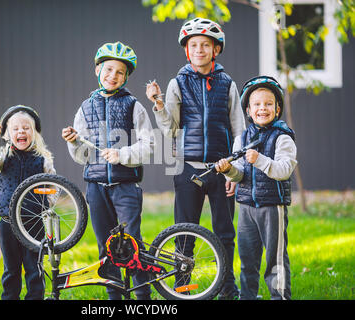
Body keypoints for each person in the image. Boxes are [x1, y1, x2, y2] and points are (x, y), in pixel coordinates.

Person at [146, 18, 245, 299]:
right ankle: (183, 286)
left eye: (205, 45)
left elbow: (239, 128)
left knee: (225, 231)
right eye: (194, 45)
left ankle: (227, 287)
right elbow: (171, 128)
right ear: (186, 51)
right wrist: (158, 106)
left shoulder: (228, 84)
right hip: (188, 169)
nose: (199, 49)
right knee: (185, 231)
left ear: (216, 50)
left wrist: (235, 170)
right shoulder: (177, 83)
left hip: (222, 168)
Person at [62, 41, 154, 300]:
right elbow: (82, 157)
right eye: (108, 69)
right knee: (107, 247)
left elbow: (149, 144)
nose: (113, 76)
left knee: (130, 245)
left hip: (126, 186)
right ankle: (115, 298)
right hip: (96, 187)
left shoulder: (134, 105)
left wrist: (122, 154)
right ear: (97, 70)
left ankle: (142, 297)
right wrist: (74, 142)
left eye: (120, 72)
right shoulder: (85, 107)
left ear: (126, 77)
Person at [215, 75, 297, 300]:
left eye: (269, 104)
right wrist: (227, 170)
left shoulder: (283, 138)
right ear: (249, 111)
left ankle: (279, 296)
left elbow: (284, 170)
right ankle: (248, 296)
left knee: (275, 258)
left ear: (277, 109)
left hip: (272, 207)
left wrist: (259, 159)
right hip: (246, 207)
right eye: (257, 104)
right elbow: (239, 173)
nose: (263, 108)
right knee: (248, 259)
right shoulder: (242, 138)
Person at [0, 105, 56, 300]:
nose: (21, 131)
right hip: (8, 221)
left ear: (34, 133)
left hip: (34, 222)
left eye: (26, 128)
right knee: (11, 269)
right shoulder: (4, 156)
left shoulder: (43, 160)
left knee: (34, 268)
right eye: (15, 129)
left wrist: (48, 205)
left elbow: (53, 186)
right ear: (8, 134)